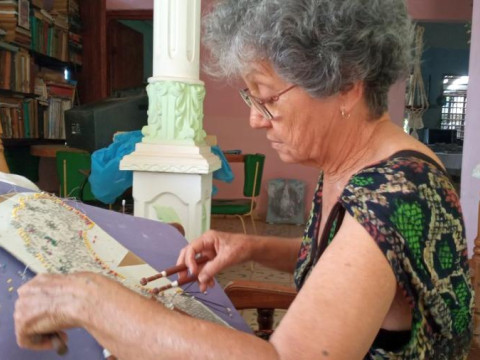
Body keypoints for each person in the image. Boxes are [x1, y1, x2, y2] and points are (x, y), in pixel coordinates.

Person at [14, 0, 474, 359]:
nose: (256, 120)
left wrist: (92, 300)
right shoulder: (358, 165)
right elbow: (349, 261)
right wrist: (252, 246)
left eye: (268, 98)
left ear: (346, 85)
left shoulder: (397, 196)